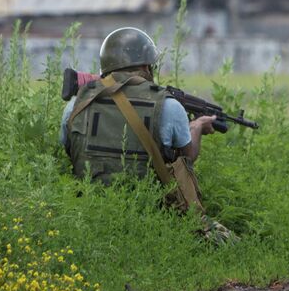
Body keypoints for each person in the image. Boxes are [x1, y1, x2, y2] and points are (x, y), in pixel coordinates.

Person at [59, 27, 217, 183]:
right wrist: (197, 127)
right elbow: (187, 158)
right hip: (147, 205)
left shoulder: (78, 104)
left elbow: (66, 148)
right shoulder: (169, 106)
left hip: (86, 203)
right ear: (145, 67)